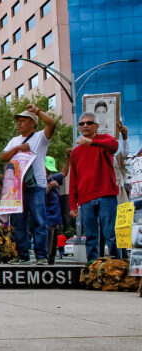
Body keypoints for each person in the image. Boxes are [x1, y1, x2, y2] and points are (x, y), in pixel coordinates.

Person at [0, 104, 57, 265]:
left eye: (23, 121)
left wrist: (38, 111)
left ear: (33, 122)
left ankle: (41, 256)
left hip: (37, 185)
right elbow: (3, 156)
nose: (19, 124)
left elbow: (52, 124)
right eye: (18, 121)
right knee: (19, 222)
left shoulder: (40, 137)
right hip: (17, 187)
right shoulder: (15, 140)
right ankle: (23, 255)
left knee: (39, 220)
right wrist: (18, 148)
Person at [69, 112, 119, 263]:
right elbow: (73, 179)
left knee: (110, 233)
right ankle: (93, 265)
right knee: (91, 235)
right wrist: (72, 204)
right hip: (86, 198)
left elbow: (114, 146)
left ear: (96, 126)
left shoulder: (104, 140)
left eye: (89, 123)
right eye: (82, 124)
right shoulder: (76, 151)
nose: (85, 126)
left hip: (106, 194)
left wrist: (92, 142)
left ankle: (117, 264)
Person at [44, 156, 63, 265]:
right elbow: (41, 196)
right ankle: (46, 262)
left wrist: (68, 158)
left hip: (55, 218)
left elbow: (64, 173)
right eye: (47, 170)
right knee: (48, 245)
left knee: (53, 247)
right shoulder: (41, 180)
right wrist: (50, 186)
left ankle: (51, 262)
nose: (49, 173)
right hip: (47, 218)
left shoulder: (53, 178)